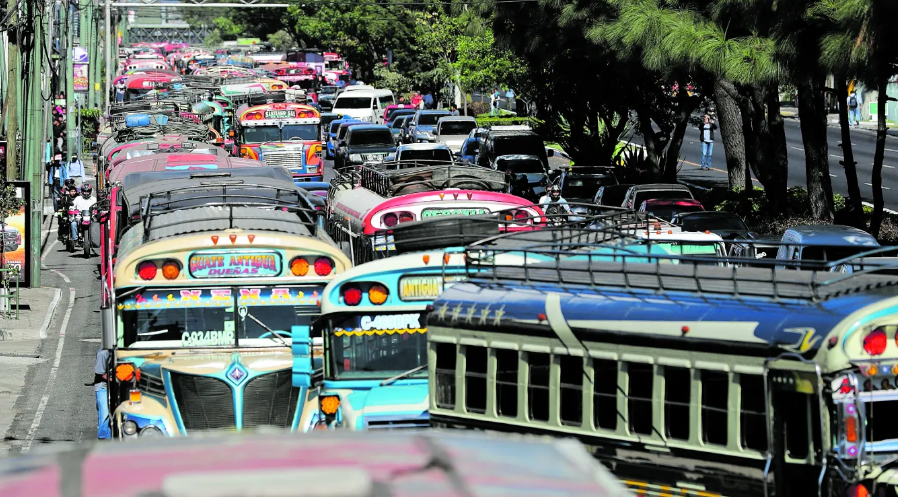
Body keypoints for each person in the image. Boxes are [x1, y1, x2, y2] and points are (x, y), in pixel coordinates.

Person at [93, 348, 111, 439]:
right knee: (104, 414)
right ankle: (103, 437)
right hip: (103, 387)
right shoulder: (102, 353)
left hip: (114, 386)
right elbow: (99, 373)